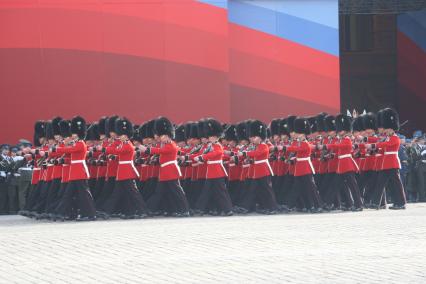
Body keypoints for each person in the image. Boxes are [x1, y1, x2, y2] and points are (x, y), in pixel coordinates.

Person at [98, 117, 147, 219]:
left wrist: (103, 149)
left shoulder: (128, 145)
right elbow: (116, 151)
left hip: (127, 172)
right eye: (121, 135)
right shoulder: (122, 144)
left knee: (134, 193)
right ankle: (120, 211)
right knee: (118, 193)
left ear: (127, 136)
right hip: (122, 172)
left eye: (123, 135)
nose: (121, 137)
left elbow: (117, 151)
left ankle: (142, 211)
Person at [139, 117, 190, 217]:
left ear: (168, 136)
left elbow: (160, 151)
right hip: (165, 173)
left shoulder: (172, 145)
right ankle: (151, 209)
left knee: (177, 193)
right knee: (160, 193)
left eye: (162, 136)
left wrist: (146, 150)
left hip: (171, 172)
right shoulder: (164, 145)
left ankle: (185, 210)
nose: (160, 138)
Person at [53, 116, 97, 221]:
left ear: (79, 134)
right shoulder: (77, 143)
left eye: (75, 134)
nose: (73, 136)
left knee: (84, 195)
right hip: (74, 172)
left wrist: (56, 149)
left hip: (80, 172)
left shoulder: (81, 144)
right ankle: (62, 213)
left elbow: (70, 150)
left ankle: (91, 214)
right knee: (68, 194)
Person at [193, 118, 233, 216]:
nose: (209, 138)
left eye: (211, 136)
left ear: (216, 137)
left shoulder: (218, 146)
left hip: (217, 171)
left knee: (221, 192)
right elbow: (202, 153)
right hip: (211, 172)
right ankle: (200, 208)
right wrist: (189, 157)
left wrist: (202, 157)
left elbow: (215, 154)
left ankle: (228, 210)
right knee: (206, 192)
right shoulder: (210, 146)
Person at [237, 120, 278, 214]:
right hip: (257, 171)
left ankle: (272, 208)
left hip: (263, 171)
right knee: (253, 190)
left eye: (255, 137)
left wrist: (244, 153)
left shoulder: (263, 146)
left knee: (267, 191)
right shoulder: (256, 145)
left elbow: (257, 153)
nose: (252, 139)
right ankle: (247, 207)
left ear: (260, 137)